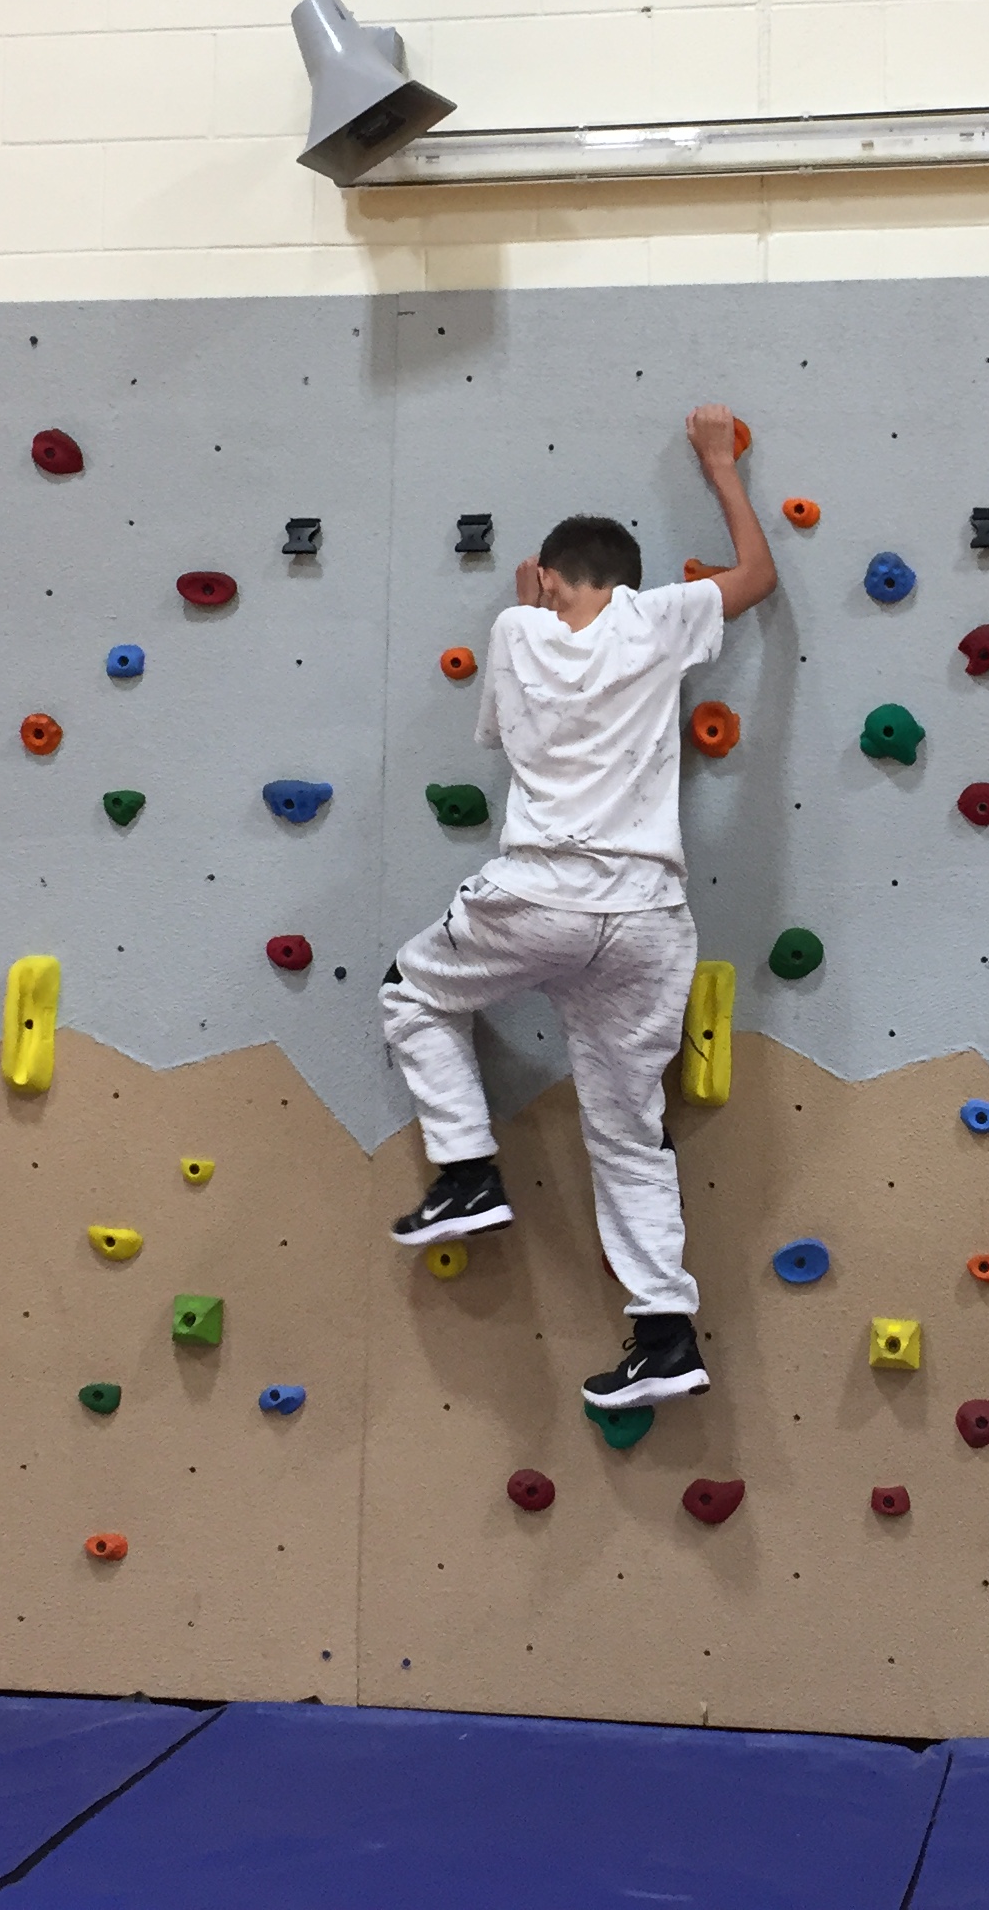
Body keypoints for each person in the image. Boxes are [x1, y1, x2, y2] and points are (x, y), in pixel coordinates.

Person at [381, 406, 778, 1410]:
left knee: (413, 992)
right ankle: (664, 1331)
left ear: (550, 577)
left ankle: (467, 1171)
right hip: (648, 916)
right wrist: (722, 465)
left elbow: (502, 735)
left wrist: (524, 609)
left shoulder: (516, 628)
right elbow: (757, 577)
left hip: (542, 894)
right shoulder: (661, 616)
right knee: (627, 1132)